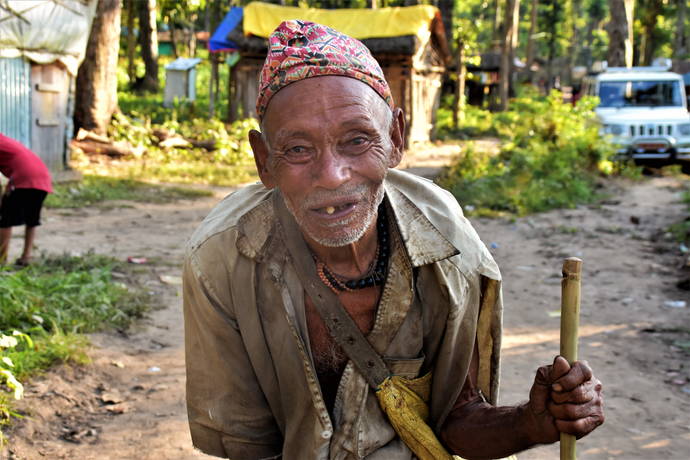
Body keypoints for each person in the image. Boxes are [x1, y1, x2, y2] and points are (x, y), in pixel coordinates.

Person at [183, 20, 604, 460]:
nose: (332, 175)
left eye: (357, 140)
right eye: (298, 149)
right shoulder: (222, 259)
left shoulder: (449, 247)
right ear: (264, 161)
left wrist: (531, 423)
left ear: (396, 138)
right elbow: (247, 446)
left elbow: (458, 420)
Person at [0, 134, 53, 266]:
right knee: (32, 219)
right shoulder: (6, 141)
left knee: (5, 220)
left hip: (24, 177)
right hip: (43, 178)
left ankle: (1, 260)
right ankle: (26, 257)